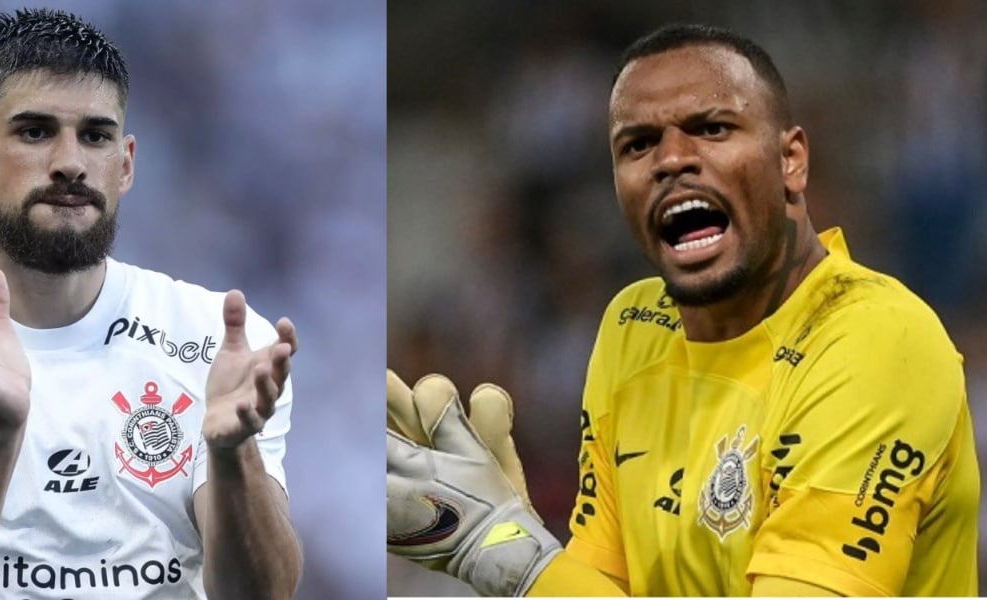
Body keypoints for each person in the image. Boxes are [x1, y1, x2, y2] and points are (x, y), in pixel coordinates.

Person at [387, 23, 978, 597]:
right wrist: (518, 546)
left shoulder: (875, 341)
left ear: (791, 160)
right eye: (638, 144)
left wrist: (506, 556)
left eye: (713, 128)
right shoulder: (632, 327)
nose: (672, 160)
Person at [0, 8, 302, 599]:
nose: (71, 162)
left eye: (94, 135)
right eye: (35, 131)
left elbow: (262, 595)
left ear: (124, 164)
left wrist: (231, 456)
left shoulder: (218, 341)